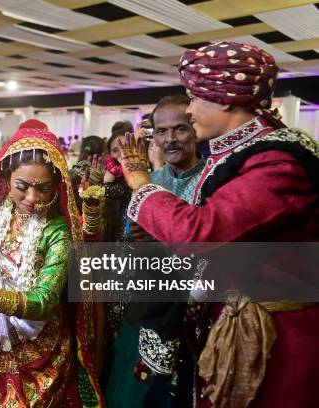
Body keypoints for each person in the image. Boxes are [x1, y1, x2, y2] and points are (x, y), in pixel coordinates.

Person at [118, 41, 319, 408]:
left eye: (195, 98)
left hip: (277, 341)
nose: (190, 110)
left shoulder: (278, 162)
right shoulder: (241, 151)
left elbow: (199, 233)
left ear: (225, 98)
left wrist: (142, 185)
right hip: (231, 318)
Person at [0, 120, 104, 407]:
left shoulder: (56, 230)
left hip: (35, 351)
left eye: (44, 189)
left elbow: (44, 299)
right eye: (22, 187)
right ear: (7, 176)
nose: (32, 199)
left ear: (56, 186)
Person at [104, 94, 204, 408]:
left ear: (195, 129)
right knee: (128, 392)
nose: (169, 139)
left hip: (187, 314)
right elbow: (129, 241)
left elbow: (207, 252)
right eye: (161, 131)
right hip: (142, 302)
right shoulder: (152, 180)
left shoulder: (211, 182)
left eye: (180, 129)